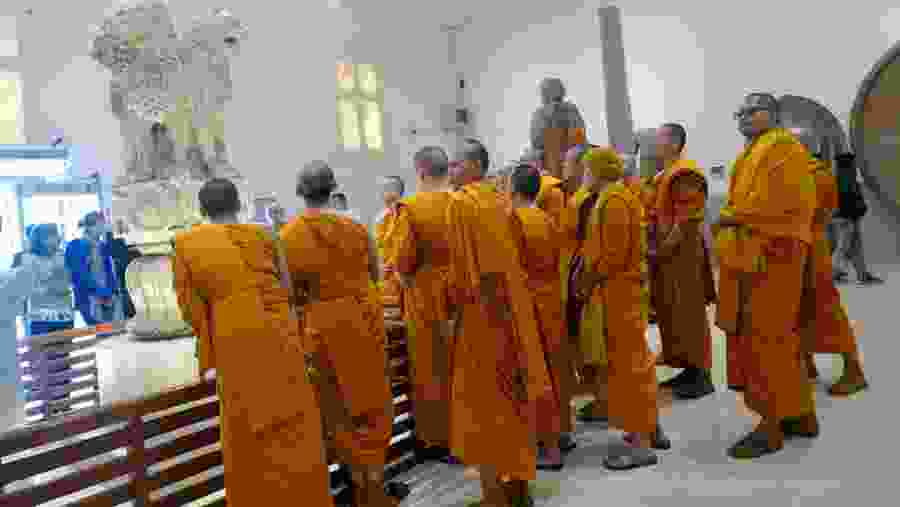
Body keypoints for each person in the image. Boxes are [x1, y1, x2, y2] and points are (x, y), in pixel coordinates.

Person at [171, 178, 333, 507]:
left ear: (201, 209)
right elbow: (287, 289)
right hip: (282, 336)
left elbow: (191, 310)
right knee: (294, 423)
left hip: (235, 338)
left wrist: (209, 349)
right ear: (239, 204)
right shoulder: (267, 235)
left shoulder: (186, 243)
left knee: (248, 430)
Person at [281, 162, 399, 507]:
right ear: (333, 188)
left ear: (300, 192)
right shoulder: (357, 227)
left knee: (338, 410)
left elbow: (289, 294)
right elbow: (376, 274)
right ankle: (374, 488)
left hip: (322, 328)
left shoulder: (288, 237)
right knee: (374, 405)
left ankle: (361, 489)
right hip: (364, 321)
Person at [445, 138, 552, 506]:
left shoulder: (460, 203)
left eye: (456, 164)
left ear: (475, 165)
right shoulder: (502, 201)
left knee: (483, 406)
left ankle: (493, 495)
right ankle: (519, 487)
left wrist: (453, 313)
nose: (451, 171)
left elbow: (462, 270)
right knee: (514, 398)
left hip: (480, 317)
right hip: (512, 313)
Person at [716, 93, 819, 459]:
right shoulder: (757, 149)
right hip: (757, 253)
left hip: (773, 253)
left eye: (753, 110)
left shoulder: (782, 146)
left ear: (774, 114)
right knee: (779, 337)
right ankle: (800, 415)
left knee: (764, 339)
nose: (744, 116)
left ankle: (770, 425)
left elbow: (775, 203)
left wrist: (730, 217)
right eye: (740, 112)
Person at [571, 147, 668, 470]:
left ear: (598, 172)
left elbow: (612, 255)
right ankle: (646, 430)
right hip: (619, 293)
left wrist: (586, 281)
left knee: (628, 369)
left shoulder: (613, 200)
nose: (583, 176)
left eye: (587, 170)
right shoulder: (617, 197)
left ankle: (641, 446)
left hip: (618, 294)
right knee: (634, 364)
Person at [387, 147, 456, 463]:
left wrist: (405, 281)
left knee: (431, 370)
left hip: (426, 297)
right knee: (463, 366)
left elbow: (402, 262)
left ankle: (438, 439)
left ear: (420, 172)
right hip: (462, 293)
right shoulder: (463, 202)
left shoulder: (412, 209)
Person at [508, 163, 575, 471]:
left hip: (528, 303)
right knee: (556, 366)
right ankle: (562, 432)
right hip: (551, 300)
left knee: (535, 372)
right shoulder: (547, 219)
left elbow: (513, 266)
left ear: (512, 188)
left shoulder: (513, 220)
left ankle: (547, 446)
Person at [650, 123, 716, 399]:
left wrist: (664, 248)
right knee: (674, 314)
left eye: (660, 138)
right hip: (668, 258)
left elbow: (687, 219)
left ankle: (702, 376)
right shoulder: (664, 174)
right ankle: (689, 370)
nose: (655, 143)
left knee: (690, 314)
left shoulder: (686, 173)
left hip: (683, 255)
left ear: (676, 143)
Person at [802, 155, 870, 396]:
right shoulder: (817, 172)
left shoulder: (810, 173)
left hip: (808, 249)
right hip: (806, 247)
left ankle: (853, 371)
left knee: (826, 310)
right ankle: (807, 365)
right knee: (800, 311)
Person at [831, 152, 882, 285]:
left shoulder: (839, 177)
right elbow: (852, 199)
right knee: (844, 246)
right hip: (848, 217)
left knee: (853, 246)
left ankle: (861, 274)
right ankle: (833, 272)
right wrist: (859, 209)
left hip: (847, 217)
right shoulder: (847, 178)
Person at [64, 212, 118, 325]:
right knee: (97, 329)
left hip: (107, 296)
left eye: (104, 224)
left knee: (110, 329)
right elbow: (79, 275)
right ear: (89, 227)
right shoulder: (75, 246)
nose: (104, 228)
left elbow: (108, 271)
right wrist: (101, 292)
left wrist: (112, 291)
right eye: (100, 224)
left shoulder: (102, 245)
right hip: (88, 297)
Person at [530, 78, 587, 179]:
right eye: (542, 92)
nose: (542, 95)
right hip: (548, 157)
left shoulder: (570, 109)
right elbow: (535, 140)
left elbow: (578, 135)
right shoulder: (539, 113)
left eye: (544, 91)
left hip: (569, 154)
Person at [374, 176, 405, 308]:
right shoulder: (380, 218)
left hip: (400, 273)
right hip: (384, 274)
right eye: (383, 189)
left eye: (388, 188)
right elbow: (378, 246)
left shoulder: (405, 213)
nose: (384, 192)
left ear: (399, 191)